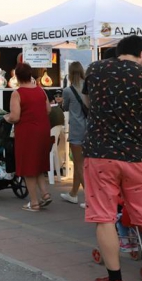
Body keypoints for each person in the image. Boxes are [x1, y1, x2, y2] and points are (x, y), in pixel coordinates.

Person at [82, 35, 142, 281]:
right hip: (137, 158)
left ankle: (115, 279)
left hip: (99, 156)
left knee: (105, 218)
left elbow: (88, 102)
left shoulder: (95, 70)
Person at [4, 63, 52, 212]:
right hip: (43, 131)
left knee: (28, 167)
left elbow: (15, 117)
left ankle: (34, 202)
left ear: (17, 77)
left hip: (27, 133)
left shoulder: (17, 93)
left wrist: (6, 118)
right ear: (30, 75)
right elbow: (48, 110)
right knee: (38, 163)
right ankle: (45, 194)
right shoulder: (40, 90)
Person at [61, 61, 88, 209]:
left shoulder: (68, 90)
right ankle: (73, 193)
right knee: (81, 163)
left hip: (76, 128)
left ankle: (90, 199)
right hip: (89, 129)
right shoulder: (89, 87)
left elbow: (65, 107)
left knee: (78, 164)